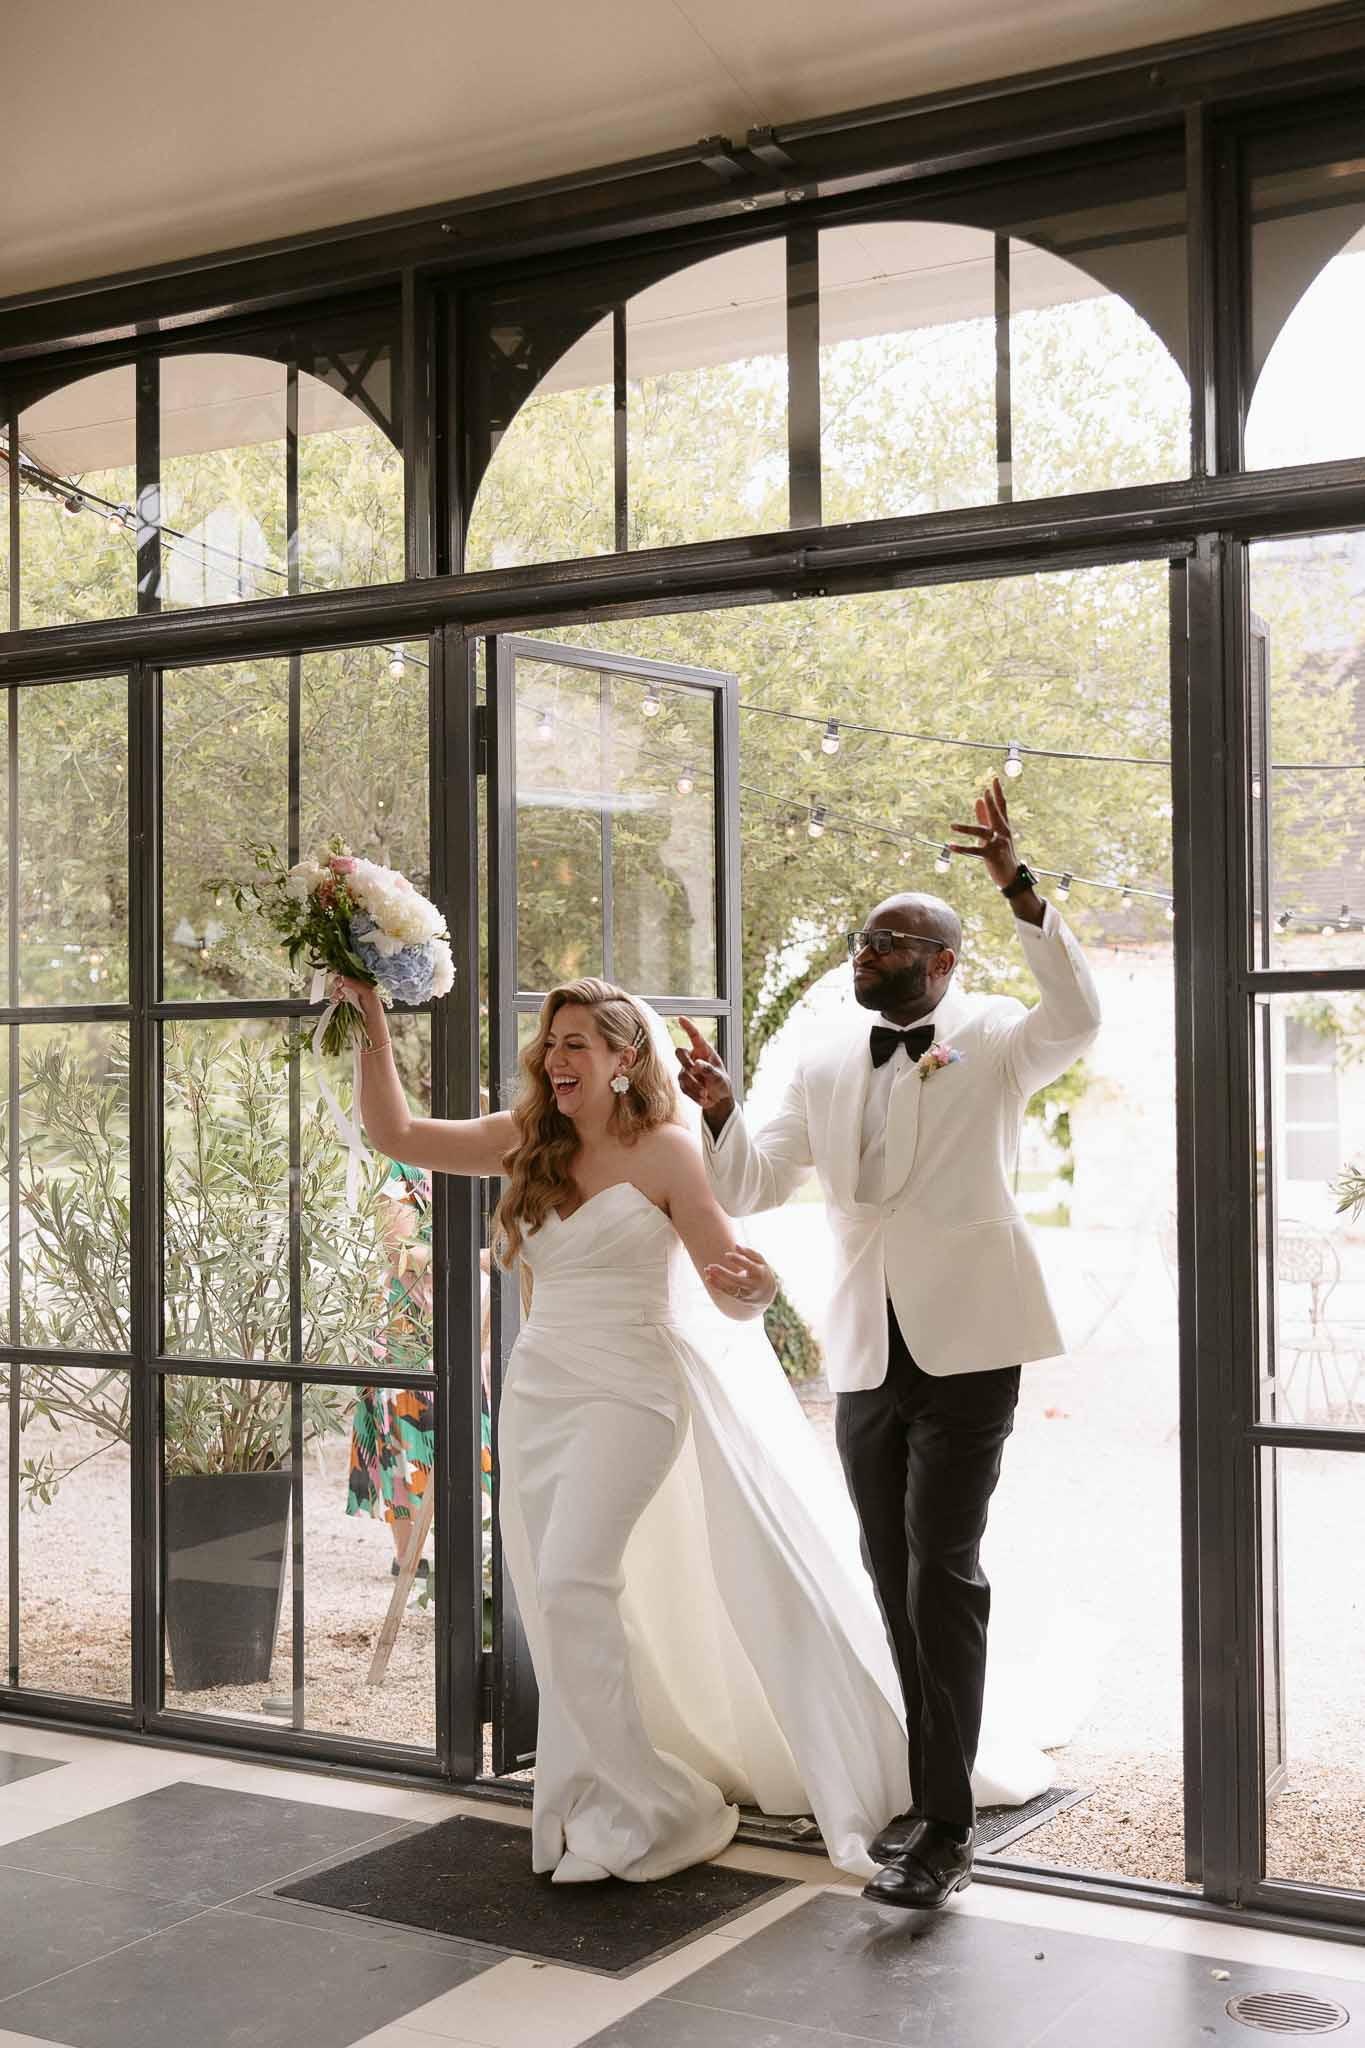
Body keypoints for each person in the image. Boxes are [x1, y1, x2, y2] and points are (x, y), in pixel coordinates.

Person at [340, 967, 914, 1885]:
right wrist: (368, 1011)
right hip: (539, 1391)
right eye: (550, 1042)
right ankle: (612, 1787)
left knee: (571, 1580)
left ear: (622, 1058)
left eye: (577, 1043)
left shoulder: (665, 1153)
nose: (555, 1057)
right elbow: (396, 1134)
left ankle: (654, 1804)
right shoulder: (523, 1141)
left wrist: (757, 1287)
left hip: (633, 1387)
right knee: (553, 1590)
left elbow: (730, 1280)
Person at [678, 779, 1102, 1911]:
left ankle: (947, 1827)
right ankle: (930, 1786)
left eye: (895, 942)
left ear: (947, 961)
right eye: (866, 940)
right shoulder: (822, 1055)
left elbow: (1081, 1018)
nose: (869, 954)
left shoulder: (998, 1040)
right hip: (866, 1346)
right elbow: (752, 1181)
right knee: (890, 1569)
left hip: (971, 1339)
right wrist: (716, 1106)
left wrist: (1017, 883)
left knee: (941, 1570)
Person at [346, 1161, 437, 1579]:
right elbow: (399, 1247)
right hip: (407, 1320)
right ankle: (409, 1557)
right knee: (403, 1430)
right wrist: (485, 1258)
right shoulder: (404, 1167)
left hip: (481, 1310)